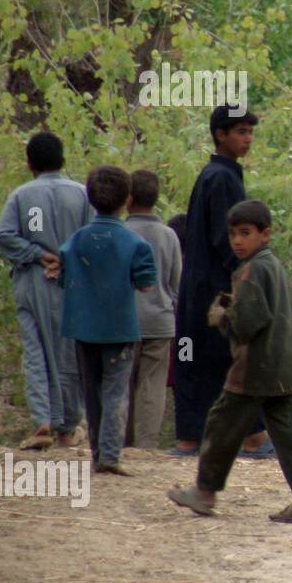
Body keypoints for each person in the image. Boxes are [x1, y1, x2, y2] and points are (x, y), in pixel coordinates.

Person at [169, 200, 292, 522]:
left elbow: (249, 322)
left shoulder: (250, 270)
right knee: (287, 433)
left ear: (264, 235)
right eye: (233, 234)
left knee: (221, 424)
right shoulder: (272, 265)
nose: (238, 241)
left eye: (245, 233)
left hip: (256, 368)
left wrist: (224, 316)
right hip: (285, 367)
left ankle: (204, 492)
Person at [174, 105, 270, 457]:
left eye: (249, 132)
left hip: (199, 285)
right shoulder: (222, 177)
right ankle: (252, 437)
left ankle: (190, 437)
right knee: (234, 358)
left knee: (196, 359)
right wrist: (247, 281)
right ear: (220, 134)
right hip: (216, 286)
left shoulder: (215, 174)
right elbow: (226, 238)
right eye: (240, 132)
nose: (247, 139)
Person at [0, 132, 91, 451]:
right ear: (63, 162)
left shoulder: (21, 196)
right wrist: (65, 260)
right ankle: (68, 426)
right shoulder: (81, 195)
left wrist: (38, 254)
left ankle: (42, 422)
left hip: (33, 280)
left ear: (29, 163)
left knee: (35, 351)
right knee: (69, 352)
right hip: (71, 283)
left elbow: (5, 235)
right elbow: (92, 239)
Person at [58, 166, 157, 475]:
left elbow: (63, 279)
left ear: (90, 198)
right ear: (127, 199)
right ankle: (111, 455)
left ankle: (97, 452)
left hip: (82, 327)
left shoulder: (74, 242)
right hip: (119, 327)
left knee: (91, 390)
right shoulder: (136, 244)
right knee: (116, 391)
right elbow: (145, 284)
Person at [124, 170, 182, 450]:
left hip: (123, 321)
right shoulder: (168, 235)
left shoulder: (120, 232)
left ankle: (121, 441)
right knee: (152, 384)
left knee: (122, 382)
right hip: (160, 321)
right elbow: (176, 283)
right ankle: (145, 444)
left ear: (128, 198)